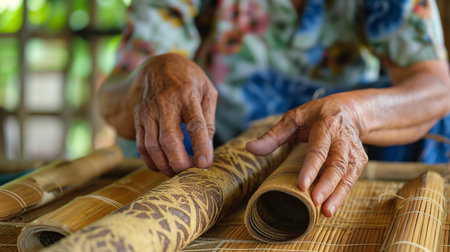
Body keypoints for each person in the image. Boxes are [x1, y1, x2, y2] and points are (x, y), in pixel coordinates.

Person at [98, 0, 450, 217]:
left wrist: (355, 114)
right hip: (215, 147)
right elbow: (112, 97)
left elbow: (435, 86)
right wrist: (153, 73)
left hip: (338, 135)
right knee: (158, 111)